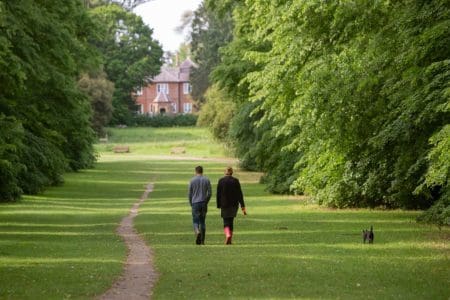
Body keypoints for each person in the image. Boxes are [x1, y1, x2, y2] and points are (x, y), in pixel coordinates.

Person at [216, 167, 246, 245]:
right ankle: (230, 240)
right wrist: (242, 205)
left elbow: (218, 194)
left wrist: (218, 204)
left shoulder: (221, 181)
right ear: (232, 173)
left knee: (225, 221)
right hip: (233, 204)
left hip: (224, 204)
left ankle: (227, 235)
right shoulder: (235, 181)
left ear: (225, 172)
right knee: (231, 221)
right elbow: (240, 194)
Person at [188, 166, 211, 245]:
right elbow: (210, 193)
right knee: (203, 222)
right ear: (202, 171)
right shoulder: (207, 180)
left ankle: (197, 231)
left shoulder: (192, 180)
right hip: (204, 203)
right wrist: (206, 201)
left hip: (195, 203)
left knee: (195, 221)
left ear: (196, 171)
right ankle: (202, 241)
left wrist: (191, 203)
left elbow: (189, 194)